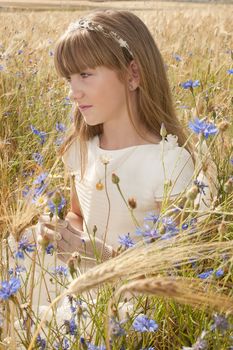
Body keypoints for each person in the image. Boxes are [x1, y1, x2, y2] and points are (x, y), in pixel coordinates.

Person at [38, 9, 198, 268]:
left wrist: (107, 259)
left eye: (85, 75)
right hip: (80, 283)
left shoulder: (169, 162)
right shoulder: (82, 147)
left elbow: (172, 264)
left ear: (132, 74)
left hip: (133, 302)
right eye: (69, 79)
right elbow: (77, 214)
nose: (72, 93)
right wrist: (63, 234)